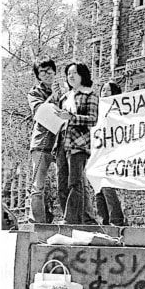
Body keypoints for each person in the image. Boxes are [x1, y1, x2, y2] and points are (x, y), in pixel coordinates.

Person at [55, 63, 99, 225]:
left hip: (78, 143)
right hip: (61, 143)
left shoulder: (90, 94)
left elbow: (92, 119)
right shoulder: (64, 98)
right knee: (61, 183)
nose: (71, 76)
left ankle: (71, 220)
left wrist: (71, 117)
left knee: (75, 182)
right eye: (68, 73)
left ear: (82, 75)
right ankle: (69, 215)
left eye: (74, 73)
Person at [26, 56, 62, 224]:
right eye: (43, 72)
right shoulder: (34, 93)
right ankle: (37, 222)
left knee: (67, 183)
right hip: (42, 143)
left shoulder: (63, 90)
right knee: (37, 186)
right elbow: (39, 112)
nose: (47, 74)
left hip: (61, 143)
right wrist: (53, 97)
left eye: (50, 71)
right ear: (38, 75)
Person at [95, 81, 127, 226]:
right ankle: (104, 220)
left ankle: (116, 219)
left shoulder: (117, 110)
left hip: (111, 153)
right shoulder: (97, 110)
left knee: (107, 186)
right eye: (103, 90)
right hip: (97, 153)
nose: (104, 92)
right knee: (98, 189)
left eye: (108, 90)